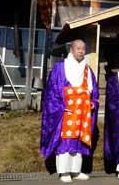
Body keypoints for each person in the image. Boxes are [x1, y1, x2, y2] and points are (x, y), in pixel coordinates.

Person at [40, 39, 99, 183]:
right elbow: (52, 91)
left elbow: (94, 91)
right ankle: (64, 171)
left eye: (83, 49)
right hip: (65, 110)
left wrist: (93, 103)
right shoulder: (60, 67)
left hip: (82, 111)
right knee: (66, 140)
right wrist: (60, 106)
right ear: (71, 49)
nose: (81, 51)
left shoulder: (87, 69)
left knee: (79, 140)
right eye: (78, 48)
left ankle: (75, 170)